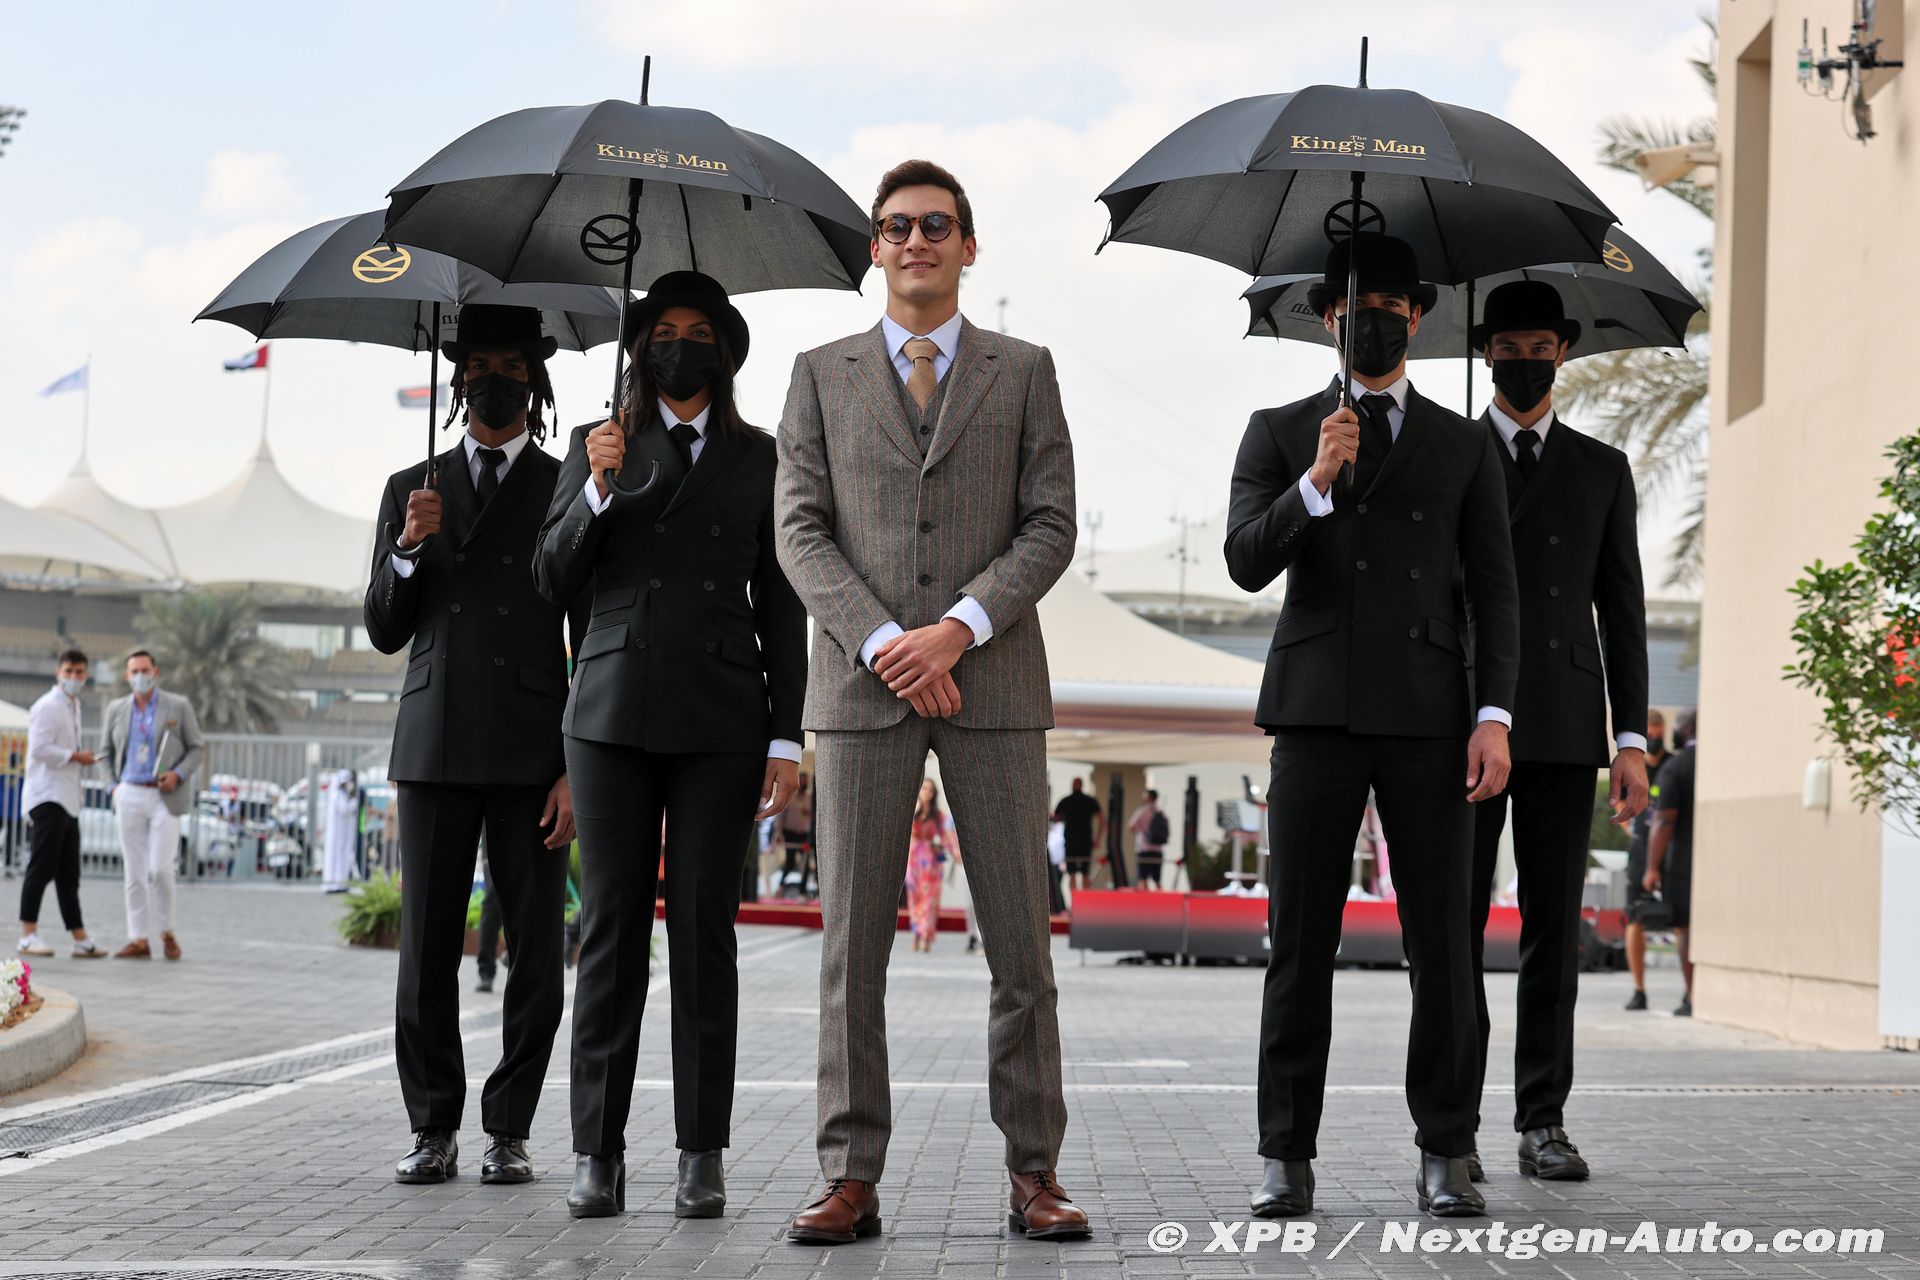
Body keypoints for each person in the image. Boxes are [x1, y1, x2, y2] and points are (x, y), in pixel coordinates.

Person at [776, 159, 1087, 1244]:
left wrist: (956, 628)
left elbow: (1051, 523)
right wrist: (883, 643)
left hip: (992, 686)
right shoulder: (819, 374)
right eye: (899, 226)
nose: (917, 241)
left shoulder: (1025, 370)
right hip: (860, 693)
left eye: (937, 225)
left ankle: (1035, 1171)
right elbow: (799, 530)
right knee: (850, 952)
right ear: (876, 248)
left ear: (968, 245)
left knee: (1021, 949)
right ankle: (848, 1174)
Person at [1224, 232, 1519, 1220]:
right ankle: (1285, 1154)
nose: (1376, 322)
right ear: (1327, 319)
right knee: (1299, 941)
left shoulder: (1464, 443)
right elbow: (1244, 561)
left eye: (1393, 307)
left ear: (1419, 317)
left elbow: (1496, 593)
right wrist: (1315, 480)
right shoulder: (1279, 431)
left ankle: (1447, 1147)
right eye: (1358, 309)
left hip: (1432, 718)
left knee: (1443, 945)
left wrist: (1492, 714)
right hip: (1314, 713)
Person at [534, 270, 806, 1221]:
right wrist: (595, 490)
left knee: (702, 935)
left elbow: (782, 604)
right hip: (609, 716)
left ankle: (701, 1153)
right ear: (639, 349)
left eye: (697, 333)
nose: (678, 346)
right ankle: (596, 1153)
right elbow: (548, 578)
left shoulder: (763, 458)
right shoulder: (596, 443)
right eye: (662, 332)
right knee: (610, 931)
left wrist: (786, 735)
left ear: (723, 353)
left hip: (723, 720)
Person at [364, 303, 586, 1188]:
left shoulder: (569, 483)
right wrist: (409, 547)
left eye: (513, 366)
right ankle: (432, 1127)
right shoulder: (409, 488)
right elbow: (384, 627)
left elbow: (590, 628)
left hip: (535, 749)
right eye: (480, 366)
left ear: (537, 381)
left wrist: (575, 765)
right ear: (457, 380)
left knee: (535, 950)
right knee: (426, 949)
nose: (496, 380)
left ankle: (510, 1128)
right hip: (435, 741)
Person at [1464, 280, 1651, 1185]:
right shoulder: (1449, 454)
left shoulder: (1602, 468)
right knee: (1452, 933)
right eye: (1509, 347)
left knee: (1552, 935)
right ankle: (1450, 1127)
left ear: (1564, 353)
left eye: (1541, 347)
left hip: (1569, 726)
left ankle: (1544, 1121)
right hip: (1463, 725)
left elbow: (1624, 612)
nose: (1525, 361)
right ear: (1485, 352)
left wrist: (1632, 738)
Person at [102, 650, 205, 961]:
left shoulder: (178, 706)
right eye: (134, 671)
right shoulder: (117, 709)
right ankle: (138, 938)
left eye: (144, 670)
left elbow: (196, 748)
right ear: (126, 675)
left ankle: (167, 931)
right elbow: (105, 752)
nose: (140, 676)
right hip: (130, 791)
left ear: (155, 672)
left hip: (164, 795)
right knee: (133, 870)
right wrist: (113, 788)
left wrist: (178, 774)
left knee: (160, 868)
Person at [17, 649, 106, 960]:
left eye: (79, 672)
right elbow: (39, 748)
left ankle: (80, 938)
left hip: (68, 798)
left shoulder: (73, 705)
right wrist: (74, 756)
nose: (73, 678)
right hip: (48, 796)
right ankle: (28, 934)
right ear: (58, 672)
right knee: (41, 867)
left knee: (69, 872)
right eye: (68, 671)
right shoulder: (48, 706)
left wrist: (77, 758)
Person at [1644, 710, 1698, 1017]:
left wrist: (1652, 867)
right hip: (1715, 860)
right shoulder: (1715, 762)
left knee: (1686, 931)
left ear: (1684, 730)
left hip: (1684, 863)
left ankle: (1693, 996)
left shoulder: (1676, 767)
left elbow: (1663, 820)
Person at [1623, 709, 1670, 1009]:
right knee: (1635, 917)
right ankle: (1639, 989)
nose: (1653, 737)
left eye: (1657, 732)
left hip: (1672, 848)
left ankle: (1689, 992)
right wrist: (1633, 829)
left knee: (1680, 916)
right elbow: (1618, 802)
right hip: (1641, 849)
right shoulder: (1633, 765)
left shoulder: (1673, 765)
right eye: (1648, 732)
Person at [905, 779, 957, 952]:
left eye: (930, 790)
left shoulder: (938, 815)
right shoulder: (913, 811)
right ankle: (917, 932)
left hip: (931, 862)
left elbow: (946, 837)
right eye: (924, 788)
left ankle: (926, 936)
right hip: (913, 859)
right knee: (914, 898)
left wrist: (951, 851)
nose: (927, 792)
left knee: (929, 900)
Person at [1052, 778, 1103, 893]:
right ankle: (1080, 899)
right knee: (1079, 873)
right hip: (1080, 841)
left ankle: (1079, 899)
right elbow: (1102, 819)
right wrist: (1097, 838)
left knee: (1077, 873)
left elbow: (1055, 818)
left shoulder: (1067, 801)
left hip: (1074, 841)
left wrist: (1097, 838)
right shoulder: (1088, 800)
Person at [777, 773, 814, 899]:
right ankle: (781, 886)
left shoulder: (809, 798)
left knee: (805, 863)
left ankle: (803, 891)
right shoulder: (790, 797)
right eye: (803, 780)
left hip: (804, 835)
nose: (805, 783)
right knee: (790, 862)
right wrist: (778, 833)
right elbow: (780, 817)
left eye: (806, 781)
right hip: (790, 834)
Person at [322, 768, 359, 893]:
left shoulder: (341, 794)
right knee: (336, 857)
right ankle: (333, 884)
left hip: (341, 833)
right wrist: (353, 803)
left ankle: (340, 883)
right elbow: (344, 810)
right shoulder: (337, 794)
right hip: (337, 834)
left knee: (341, 857)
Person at [1128, 790, 1169, 890]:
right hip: (1158, 849)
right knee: (1157, 880)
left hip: (1144, 848)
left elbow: (1130, 826)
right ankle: (1161, 898)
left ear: (1148, 797)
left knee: (1142, 879)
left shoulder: (1141, 811)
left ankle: (1143, 898)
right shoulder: (1161, 812)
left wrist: (1140, 830)